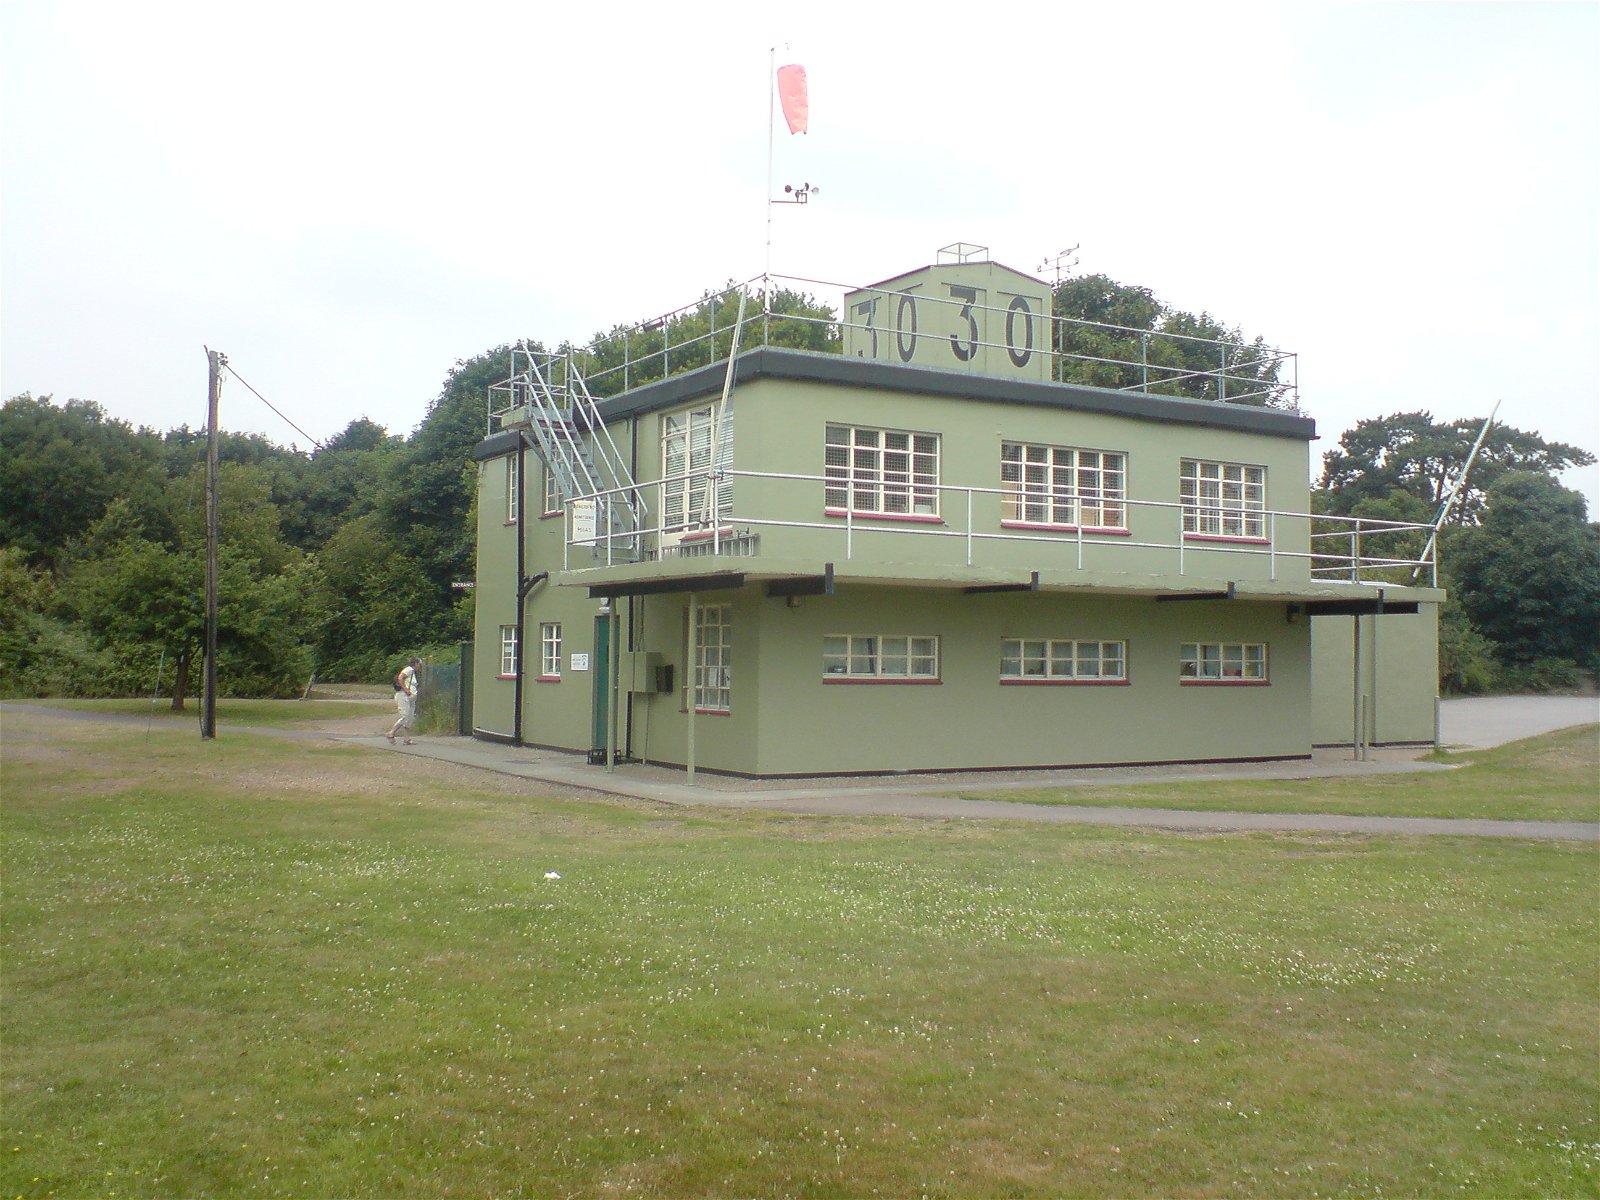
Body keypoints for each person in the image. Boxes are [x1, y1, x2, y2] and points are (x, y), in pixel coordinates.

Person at [388, 657, 421, 745]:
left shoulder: (413, 672)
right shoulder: (409, 669)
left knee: (410, 718)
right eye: (419, 664)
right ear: (415, 663)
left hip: (411, 698)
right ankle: (391, 732)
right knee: (405, 716)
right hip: (404, 696)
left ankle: (407, 739)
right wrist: (406, 689)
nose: (419, 666)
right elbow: (400, 678)